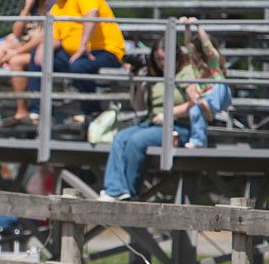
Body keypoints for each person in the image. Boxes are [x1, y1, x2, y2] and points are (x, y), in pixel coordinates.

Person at [99, 36, 197, 201]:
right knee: (120, 138)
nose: (161, 63)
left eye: (165, 58)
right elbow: (139, 108)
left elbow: (195, 104)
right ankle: (115, 189)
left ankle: (130, 192)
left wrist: (169, 113)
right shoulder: (155, 75)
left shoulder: (185, 72)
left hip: (179, 128)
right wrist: (137, 81)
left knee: (136, 141)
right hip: (153, 125)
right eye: (158, 59)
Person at [24, 0, 125, 123]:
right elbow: (55, 37)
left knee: (79, 66)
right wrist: (42, 49)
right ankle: (39, 112)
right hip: (74, 54)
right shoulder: (58, 6)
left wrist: (83, 45)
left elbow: (91, 14)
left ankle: (92, 112)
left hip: (105, 51)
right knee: (36, 59)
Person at [180, 16, 232, 148]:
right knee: (194, 111)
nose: (194, 54)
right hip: (204, 97)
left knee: (220, 85)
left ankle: (210, 107)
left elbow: (206, 44)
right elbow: (187, 44)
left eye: (197, 52)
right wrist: (186, 27)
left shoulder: (212, 60)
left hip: (219, 95)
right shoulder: (195, 63)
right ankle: (198, 141)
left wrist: (198, 26)